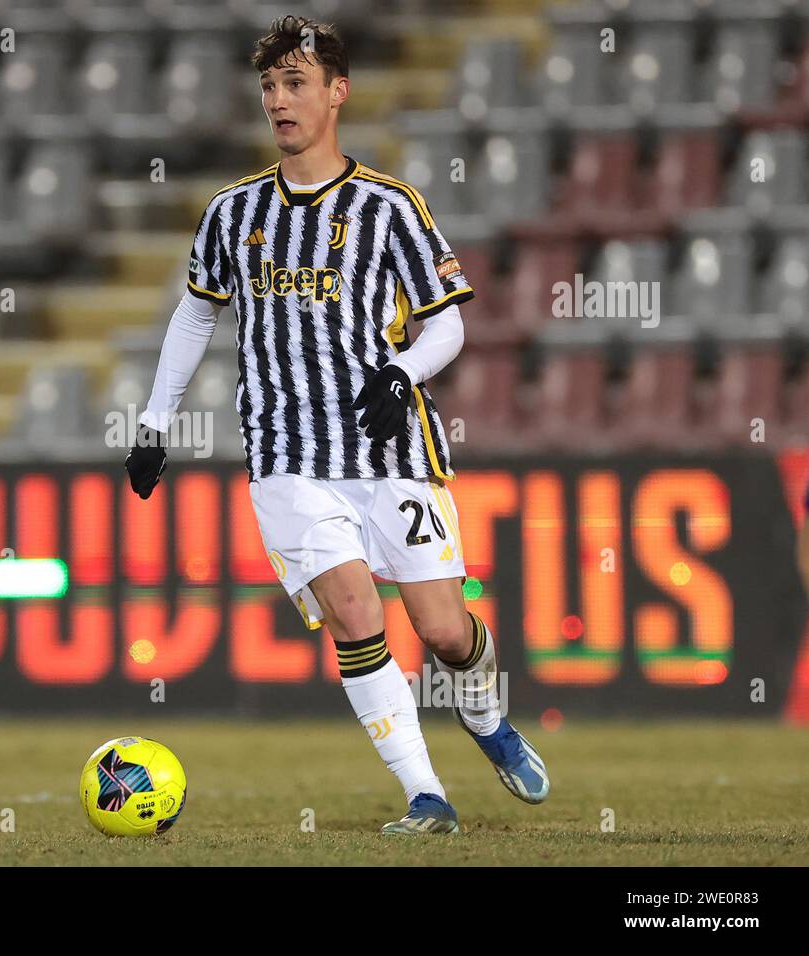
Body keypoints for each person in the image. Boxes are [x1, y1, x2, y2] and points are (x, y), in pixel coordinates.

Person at [125, 15, 548, 835]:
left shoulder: (389, 207)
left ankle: (487, 719)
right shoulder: (231, 213)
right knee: (356, 616)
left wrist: (402, 371)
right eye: (269, 88)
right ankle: (427, 796)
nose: (279, 102)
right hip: (287, 456)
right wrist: (153, 422)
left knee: (442, 631)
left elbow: (450, 324)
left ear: (336, 92)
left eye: (295, 85)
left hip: (392, 449)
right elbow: (194, 317)